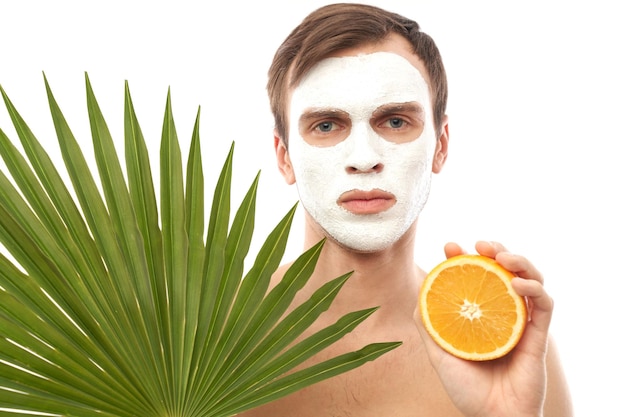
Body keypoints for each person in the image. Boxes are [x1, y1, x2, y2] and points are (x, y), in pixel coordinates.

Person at [241, 3, 573, 416]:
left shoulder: (502, 341)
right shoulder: (204, 339)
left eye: (395, 121)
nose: (363, 158)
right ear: (284, 156)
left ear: (441, 145)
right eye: (326, 125)